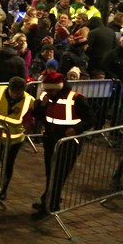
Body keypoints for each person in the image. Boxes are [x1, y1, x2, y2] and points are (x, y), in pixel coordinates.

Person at [32, 69, 93, 219]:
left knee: (58, 175)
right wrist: (41, 106)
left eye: (50, 90)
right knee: (50, 173)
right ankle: (50, 199)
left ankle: (49, 205)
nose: (47, 92)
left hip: (69, 144)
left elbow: (91, 119)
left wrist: (76, 129)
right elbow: (38, 116)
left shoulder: (76, 99)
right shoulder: (47, 97)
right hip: (50, 141)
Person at [0, 76, 34, 200]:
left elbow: (29, 121)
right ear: (10, 88)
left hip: (15, 139)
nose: (16, 95)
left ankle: (3, 190)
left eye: (19, 93)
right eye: (14, 92)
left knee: (8, 164)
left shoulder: (28, 101)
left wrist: (29, 125)